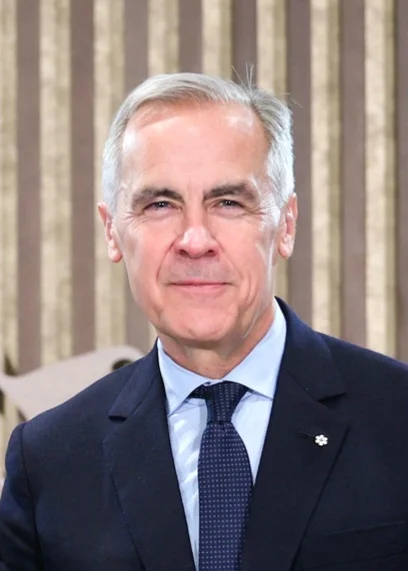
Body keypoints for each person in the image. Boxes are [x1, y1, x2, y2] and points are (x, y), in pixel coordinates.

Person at [1, 73, 408, 571]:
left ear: (286, 224)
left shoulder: (398, 416)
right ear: (112, 232)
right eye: (160, 205)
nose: (195, 240)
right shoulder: (48, 461)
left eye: (228, 203)